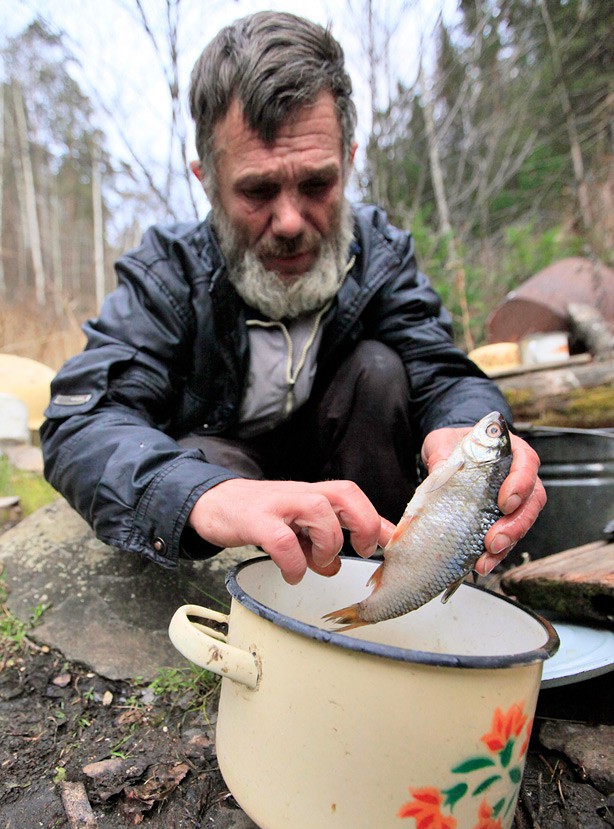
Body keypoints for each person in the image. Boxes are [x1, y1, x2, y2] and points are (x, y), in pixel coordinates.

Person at [40, 11, 545, 587]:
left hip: (357, 492)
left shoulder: (378, 253)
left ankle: (389, 582)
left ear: (349, 161)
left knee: (380, 370)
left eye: (316, 185)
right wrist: (206, 496)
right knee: (201, 457)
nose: (289, 221)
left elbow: (441, 371)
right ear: (205, 180)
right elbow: (81, 422)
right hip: (228, 481)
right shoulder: (169, 272)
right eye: (257, 190)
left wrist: (464, 433)